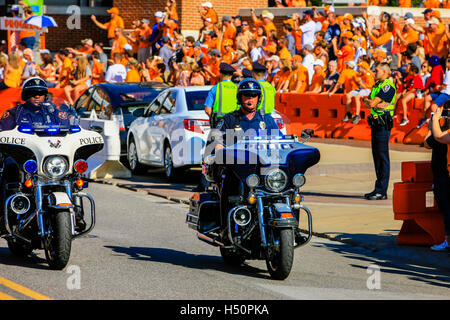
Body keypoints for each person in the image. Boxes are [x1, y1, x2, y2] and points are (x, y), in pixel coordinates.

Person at [364, 63, 396, 200]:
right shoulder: (377, 85)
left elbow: (370, 103)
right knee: (376, 157)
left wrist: (372, 102)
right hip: (376, 123)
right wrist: (373, 102)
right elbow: (368, 102)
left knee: (382, 158)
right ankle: (378, 188)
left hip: (383, 123)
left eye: (376, 70)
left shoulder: (387, 86)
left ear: (384, 71)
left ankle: (382, 191)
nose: (374, 72)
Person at [429, 103, 450, 251]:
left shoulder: (443, 131)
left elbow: (436, 137)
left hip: (444, 176)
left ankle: (448, 241)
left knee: (448, 210)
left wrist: (434, 120)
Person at [204, 62, 238, 128]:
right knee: (230, 138)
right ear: (231, 76)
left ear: (221, 74)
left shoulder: (215, 88)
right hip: (234, 122)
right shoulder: (237, 88)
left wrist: (213, 120)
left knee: (216, 138)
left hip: (219, 122)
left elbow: (207, 110)